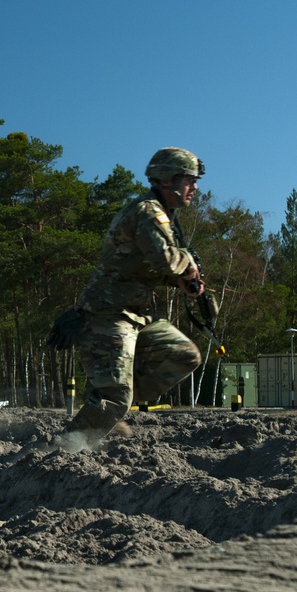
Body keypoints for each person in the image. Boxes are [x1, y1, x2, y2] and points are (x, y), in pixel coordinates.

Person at [64, 147, 205, 442]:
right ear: (168, 180)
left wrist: (182, 281)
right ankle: (64, 448)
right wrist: (188, 268)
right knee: (116, 399)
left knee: (183, 355)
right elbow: (165, 260)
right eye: (189, 180)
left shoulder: (165, 216)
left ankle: (105, 408)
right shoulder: (147, 212)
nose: (194, 187)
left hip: (135, 314)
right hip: (107, 313)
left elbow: (150, 266)